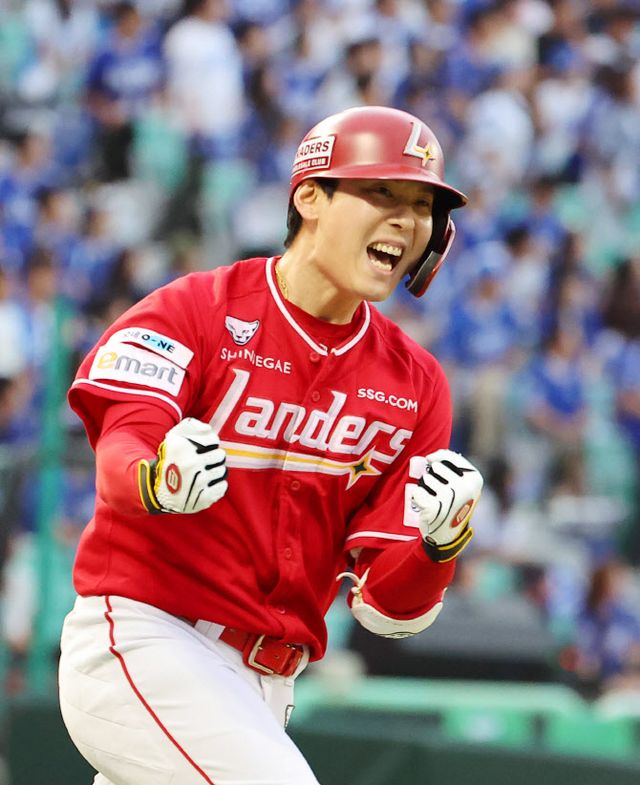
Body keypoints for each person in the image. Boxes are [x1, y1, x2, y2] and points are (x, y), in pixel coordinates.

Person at [58, 105, 484, 785]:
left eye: (422, 205)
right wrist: (155, 478)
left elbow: (386, 610)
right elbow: (121, 450)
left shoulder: (417, 383)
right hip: (147, 639)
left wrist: (441, 543)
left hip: (266, 689)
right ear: (309, 197)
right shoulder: (193, 310)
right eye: (382, 192)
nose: (407, 221)